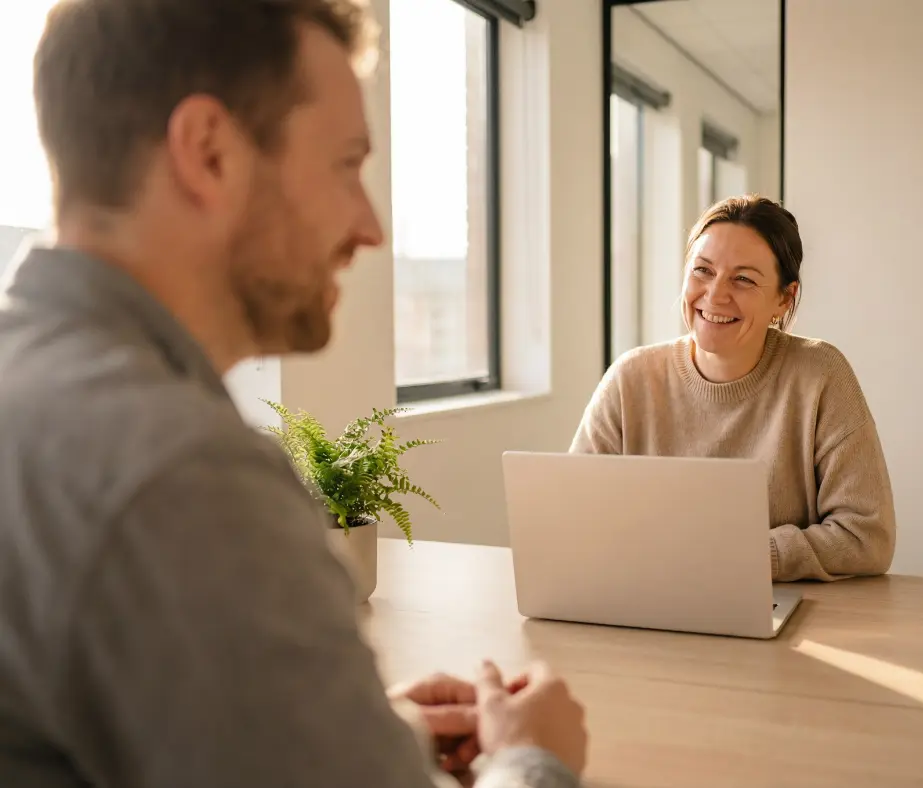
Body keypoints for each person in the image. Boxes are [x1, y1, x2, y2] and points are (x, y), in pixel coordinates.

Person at [0, 1, 587, 787]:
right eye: (347, 165)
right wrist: (532, 758)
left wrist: (348, 733)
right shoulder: (182, 475)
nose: (370, 226)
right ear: (209, 153)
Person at [571, 195, 895, 582]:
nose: (715, 295)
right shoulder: (629, 380)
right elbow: (574, 517)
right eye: (703, 271)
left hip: (782, 610)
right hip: (648, 597)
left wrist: (746, 558)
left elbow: (867, 536)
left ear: (783, 298)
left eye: (743, 279)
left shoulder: (821, 375)